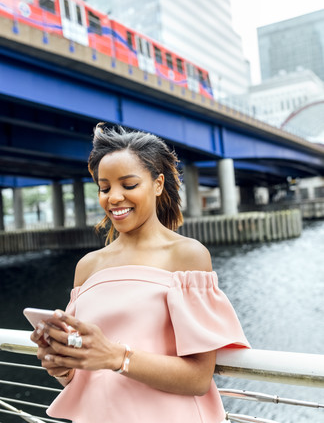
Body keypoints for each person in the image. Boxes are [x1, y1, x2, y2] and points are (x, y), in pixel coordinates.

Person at [31, 123, 250, 423]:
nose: (114, 197)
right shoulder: (88, 266)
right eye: (105, 188)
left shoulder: (187, 255)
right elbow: (85, 376)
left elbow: (199, 378)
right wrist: (63, 366)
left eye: (129, 185)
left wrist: (117, 357)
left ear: (158, 184)